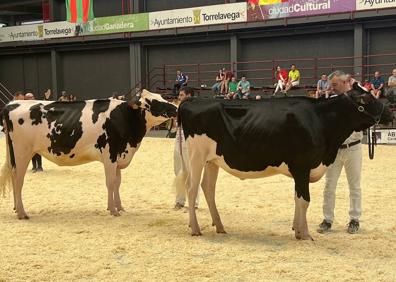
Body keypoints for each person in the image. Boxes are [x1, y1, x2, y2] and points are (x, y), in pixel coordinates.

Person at [317, 70, 363, 235]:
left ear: (345, 82)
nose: (332, 88)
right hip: (335, 149)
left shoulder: (357, 97)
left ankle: (354, 219)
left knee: (355, 186)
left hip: (354, 147)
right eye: (331, 85)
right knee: (329, 186)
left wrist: (356, 86)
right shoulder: (330, 101)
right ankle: (327, 219)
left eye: (335, 85)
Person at [174, 86, 199, 210]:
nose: (179, 97)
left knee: (192, 172)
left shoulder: (195, 108)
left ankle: (194, 203)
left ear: (189, 95)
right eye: (179, 95)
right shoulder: (180, 108)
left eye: (182, 95)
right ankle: (180, 201)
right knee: (178, 171)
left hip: (190, 141)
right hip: (179, 139)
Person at [25, 93, 43, 172]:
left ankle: (39, 166)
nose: (31, 99)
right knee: (31, 150)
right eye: (29, 98)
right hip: (29, 131)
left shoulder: (37, 106)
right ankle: (34, 166)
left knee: (37, 149)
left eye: (32, 97)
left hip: (36, 130)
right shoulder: (25, 108)